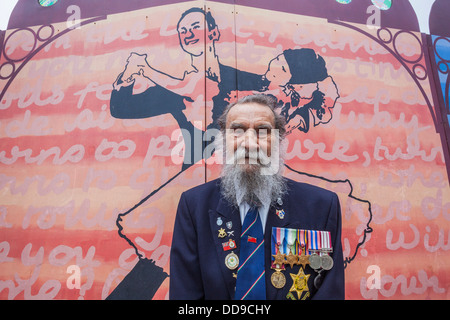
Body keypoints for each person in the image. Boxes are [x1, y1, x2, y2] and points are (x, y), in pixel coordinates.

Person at [169, 94, 344, 300]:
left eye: (263, 131)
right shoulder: (194, 206)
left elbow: (329, 292)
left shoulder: (321, 207)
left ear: (279, 141)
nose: (250, 143)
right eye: (238, 130)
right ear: (222, 140)